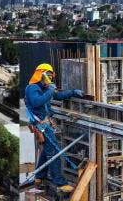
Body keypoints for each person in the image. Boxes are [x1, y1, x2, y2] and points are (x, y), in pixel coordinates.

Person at [25, 63, 84, 193]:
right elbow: (36, 102)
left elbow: (58, 95)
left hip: (45, 124)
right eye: (48, 75)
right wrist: (50, 90)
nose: (50, 78)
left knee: (47, 151)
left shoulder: (46, 88)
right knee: (54, 153)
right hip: (41, 125)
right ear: (40, 74)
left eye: (51, 76)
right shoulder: (32, 88)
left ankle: (39, 176)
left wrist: (73, 92)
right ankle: (60, 183)